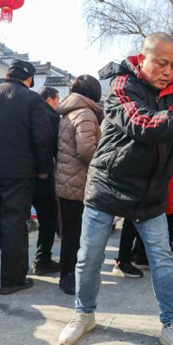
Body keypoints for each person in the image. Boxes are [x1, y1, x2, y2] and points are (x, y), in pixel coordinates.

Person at [57, 0, 173, 345]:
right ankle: (84, 313)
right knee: (88, 256)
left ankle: (171, 326)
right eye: (161, 63)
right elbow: (144, 124)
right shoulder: (122, 86)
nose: (169, 72)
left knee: (161, 261)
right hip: (108, 185)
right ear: (143, 59)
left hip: (152, 193)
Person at [0, 60, 53, 295]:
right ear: (30, 79)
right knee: (14, 222)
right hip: (19, 171)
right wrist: (44, 168)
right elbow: (42, 138)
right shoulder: (33, 99)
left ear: (6, 75)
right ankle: (12, 280)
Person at [55, 75, 104, 295]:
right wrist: (103, 162)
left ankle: (69, 273)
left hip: (67, 180)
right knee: (75, 234)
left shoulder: (71, 111)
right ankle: (68, 276)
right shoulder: (85, 113)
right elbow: (86, 150)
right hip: (78, 182)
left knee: (71, 232)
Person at [32, 86, 62, 276]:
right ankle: (42, 259)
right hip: (42, 175)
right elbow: (52, 148)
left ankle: (14, 265)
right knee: (47, 219)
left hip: (19, 174)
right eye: (57, 100)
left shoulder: (26, 112)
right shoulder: (51, 117)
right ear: (50, 99)